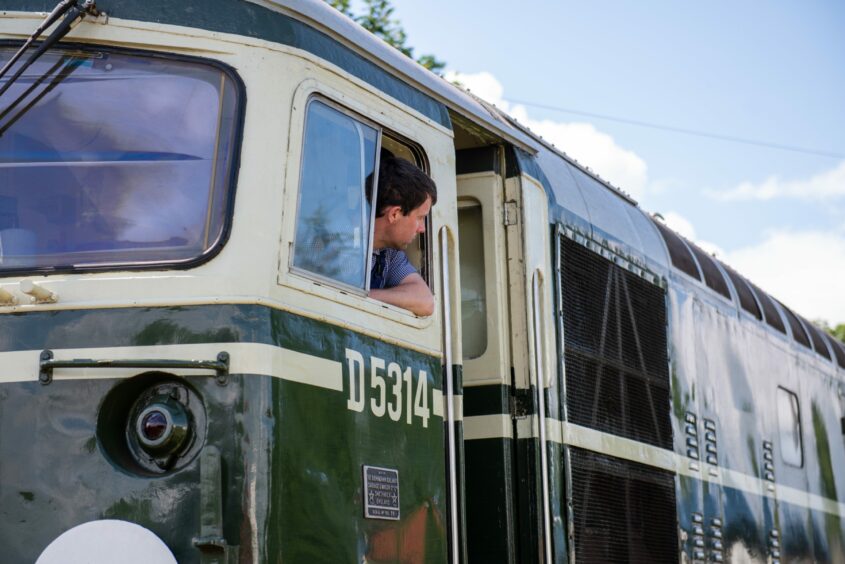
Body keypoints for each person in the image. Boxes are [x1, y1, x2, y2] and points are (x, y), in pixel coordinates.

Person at [369, 154, 437, 316]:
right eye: (419, 218)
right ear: (395, 214)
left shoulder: (389, 254)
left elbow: (425, 302)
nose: (422, 229)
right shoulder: (332, 245)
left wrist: (364, 296)